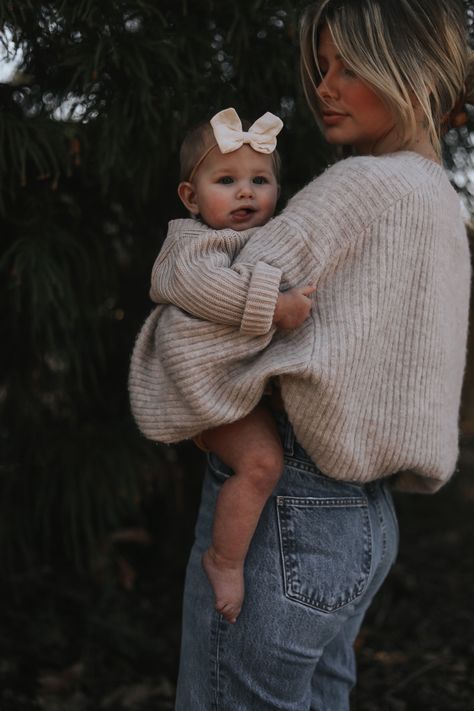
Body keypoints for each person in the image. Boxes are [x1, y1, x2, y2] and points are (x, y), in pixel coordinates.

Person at [133, 0, 472, 707]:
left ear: (411, 71)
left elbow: (207, 304)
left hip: (285, 506)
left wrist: (191, 400)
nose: (323, 86)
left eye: (348, 66)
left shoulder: (357, 188)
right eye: (323, 66)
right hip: (367, 524)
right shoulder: (440, 202)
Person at [130, 107, 317, 624]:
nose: (245, 193)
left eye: (260, 180)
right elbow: (205, 288)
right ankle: (225, 560)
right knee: (262, 465)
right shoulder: (187, 245)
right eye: (227, 180)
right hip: (201, 385)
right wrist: (275, 308)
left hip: (231, 386)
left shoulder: (263, 237)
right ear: (190, 197)